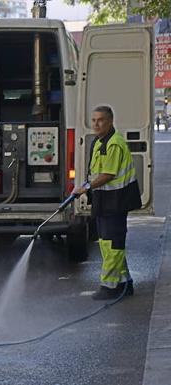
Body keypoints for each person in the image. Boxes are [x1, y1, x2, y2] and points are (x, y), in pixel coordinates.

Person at [72, 105, 142, 300]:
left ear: (110, 121)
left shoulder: (113, 143)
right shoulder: (100, 141)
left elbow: (108, 174)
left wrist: (86, 188)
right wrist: (84, 186)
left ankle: (109, 287)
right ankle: (125, 283)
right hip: (105, 199)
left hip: (116, 200)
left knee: (112, 244)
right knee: (107, 243)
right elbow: (96, 171)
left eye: (100, 120)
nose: (96, 124)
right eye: (93, 120)